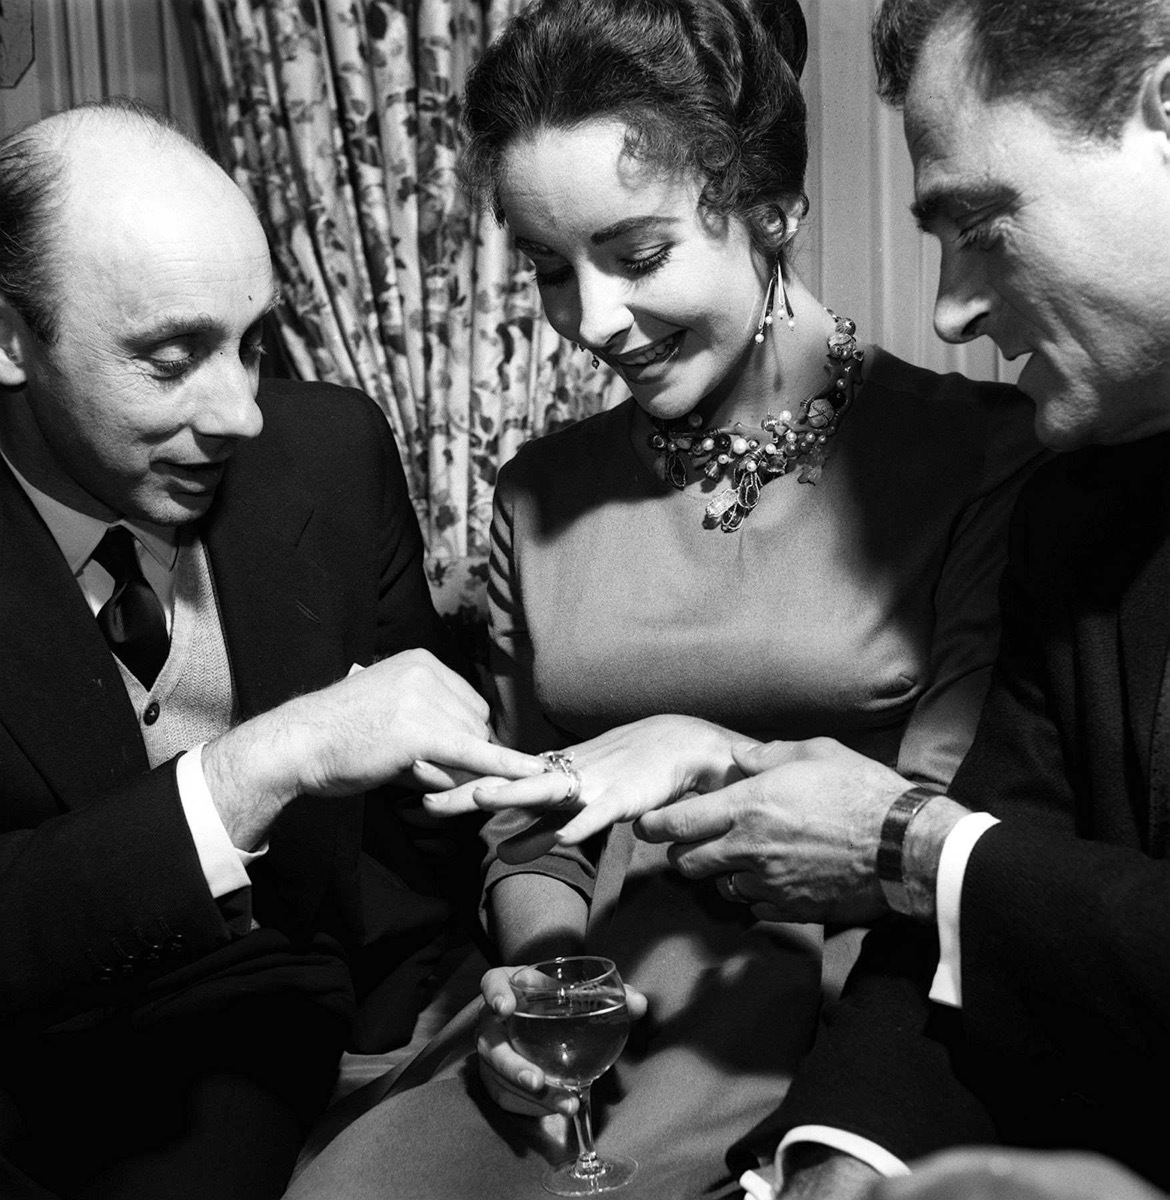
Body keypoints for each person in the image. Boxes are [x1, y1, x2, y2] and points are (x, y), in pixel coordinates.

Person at [281, 3, 1042, 1198]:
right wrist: (545, 978)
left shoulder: (977, 456)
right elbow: (526, 814)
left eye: (637, 257)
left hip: (864, 1010)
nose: (589, 322)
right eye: (550, 269)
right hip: (591, 1001)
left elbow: (952, 829)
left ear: (772, 208)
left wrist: (706, 752)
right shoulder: (539, 493)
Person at [613, 0, 1170, 1196]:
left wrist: (912, 840)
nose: (950, 311)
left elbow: (963, 865)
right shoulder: (1076, 512)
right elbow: (984, 923)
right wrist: (832, 1160)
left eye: (983, 228)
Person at [0, 99, 543, 1200]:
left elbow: (429, 826)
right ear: (11, 339)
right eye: (172, 359)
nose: (241, 412)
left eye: (251, 344)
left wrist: (507, 977)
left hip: (281, 1037)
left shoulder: (330, 453)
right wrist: (269, 759)